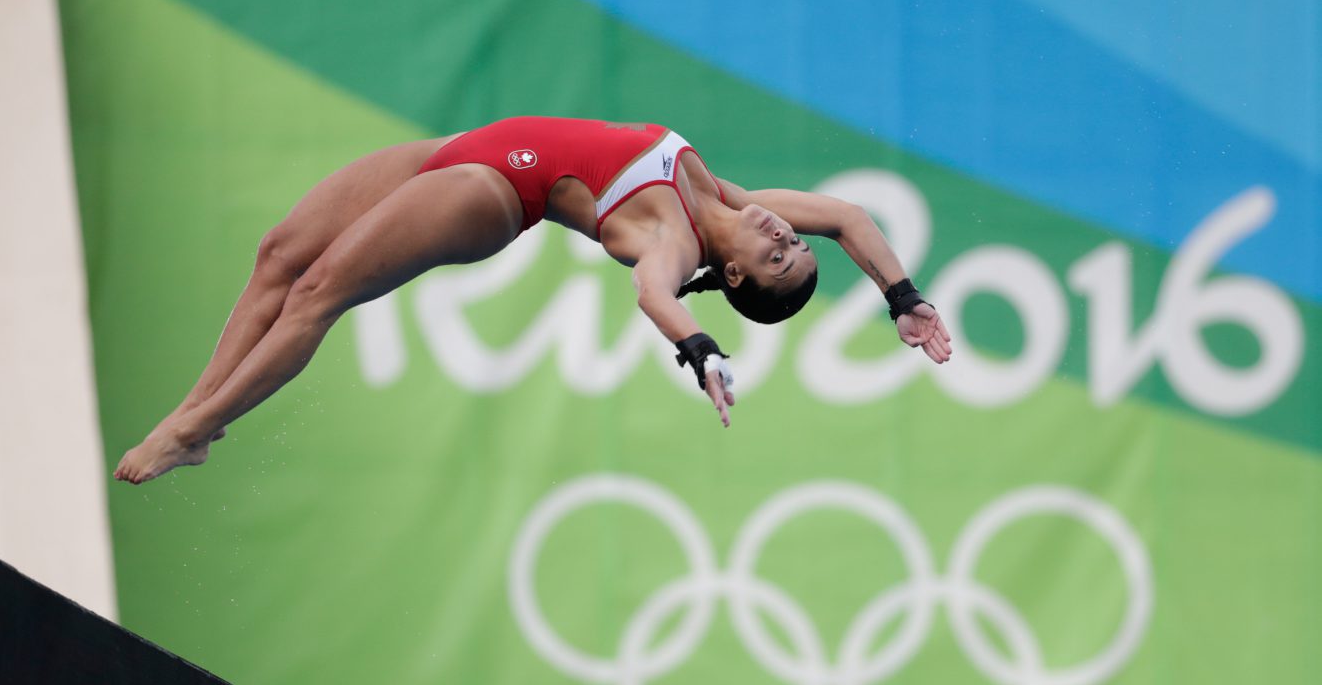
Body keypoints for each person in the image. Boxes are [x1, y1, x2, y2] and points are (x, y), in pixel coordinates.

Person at [115, 117, 950, 484]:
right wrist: (903, 296)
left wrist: (700, 349)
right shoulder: (724, 193)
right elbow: (847, 217)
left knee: (319, 290)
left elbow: (653, 296)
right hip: (464, 145)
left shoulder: (680, 245)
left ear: (736, 278)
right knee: (278, 255)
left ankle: (187, 431)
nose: (783, 234)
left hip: (487, 189)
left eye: (777, 256)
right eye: (792, 242)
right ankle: (202, 416)